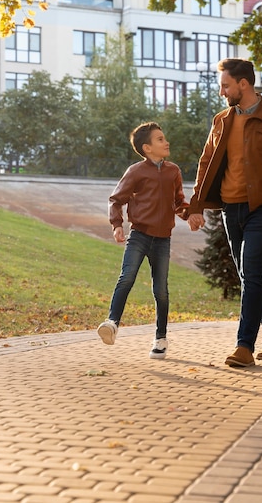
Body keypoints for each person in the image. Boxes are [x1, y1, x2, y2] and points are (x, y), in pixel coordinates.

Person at [187, 58, 262, 368]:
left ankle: (244, 346)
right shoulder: (221, 120)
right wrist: (196, 206)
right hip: (231, 208)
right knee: (249, 275)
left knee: (251, 274)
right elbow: (206, 163)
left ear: (244, 84)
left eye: (225, 86)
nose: (222, 92)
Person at [97, 122, 189, 359]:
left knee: (161, 290)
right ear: (147, 148)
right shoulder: (136, 171)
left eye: (164, 137)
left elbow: (179, 202)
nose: (166, 142)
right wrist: (117, 225)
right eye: (160, 139)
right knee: (126, 277)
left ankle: (160, 339)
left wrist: (191, 215)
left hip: (162, 240)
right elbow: (116, 199)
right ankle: (112, 323)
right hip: (139, 235)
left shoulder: (173, 171)